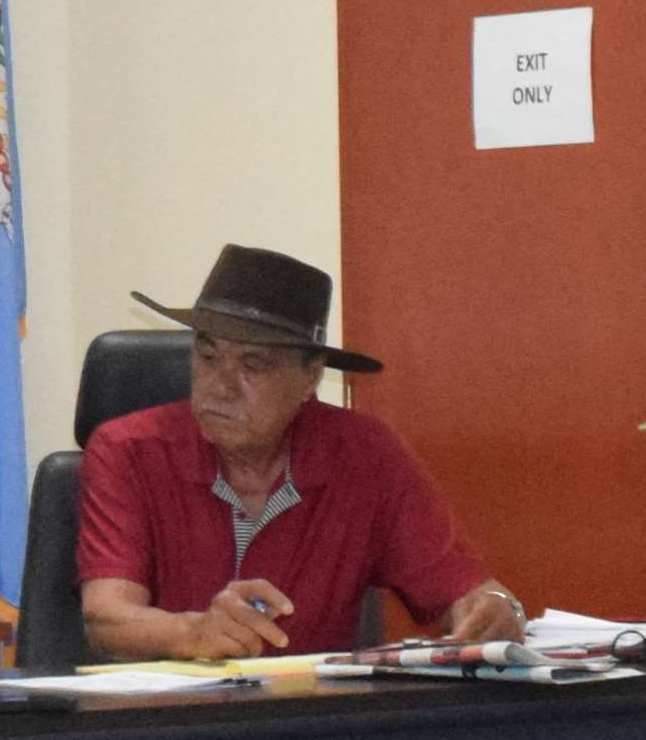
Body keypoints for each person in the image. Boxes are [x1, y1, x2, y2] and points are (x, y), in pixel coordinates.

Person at [77, 245, 525, 662]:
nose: (220, 385)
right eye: (207, 356)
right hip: (165, 729)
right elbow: (107, 619)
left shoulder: (365, 455)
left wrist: (496, 611)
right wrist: (193, 634)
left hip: (314, 726)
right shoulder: (128, 450)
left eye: (253, 364)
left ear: (311, 376)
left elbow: (464, 593)